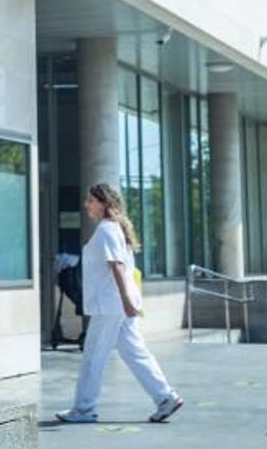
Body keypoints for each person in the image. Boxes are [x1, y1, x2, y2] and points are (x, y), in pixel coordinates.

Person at [56, 182, 184, 424]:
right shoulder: (114, 229)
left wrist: (125, 301)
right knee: (134, 351)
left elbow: (116, 266)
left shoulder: (106, 230)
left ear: (103, 203)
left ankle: (83, 409)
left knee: (93, 356)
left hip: (111, 305)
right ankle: (165, 397)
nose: (87, 205)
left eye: (91, 200)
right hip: (117, 304)